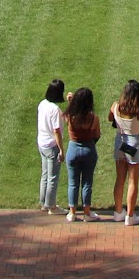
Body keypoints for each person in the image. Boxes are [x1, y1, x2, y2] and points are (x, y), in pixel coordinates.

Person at [108, 79, 139, 226]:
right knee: (133, 181)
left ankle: (118, 212)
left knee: (120, 178)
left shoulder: (116, 106)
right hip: (133, 144)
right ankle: (130, 216)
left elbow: (109, 118)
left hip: (120, 141)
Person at [62, 86, 100, 222]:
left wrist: (70, 102)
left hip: (73, 150)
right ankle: (87, 213)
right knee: (87, 182)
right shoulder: (94, 118)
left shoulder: (70, 117)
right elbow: (97, 135)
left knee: (73, 182)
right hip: (89, 149)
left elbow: (68, 113)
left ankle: (72, 213)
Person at [36, 79, 67, 214]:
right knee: (52, 177)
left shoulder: (42, 104)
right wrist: (61, 149)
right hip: (51, 145)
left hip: (42, 143)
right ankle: (51, 206)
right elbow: (56, 131)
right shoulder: (55, 110)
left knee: (45, 174)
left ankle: (44, 203)